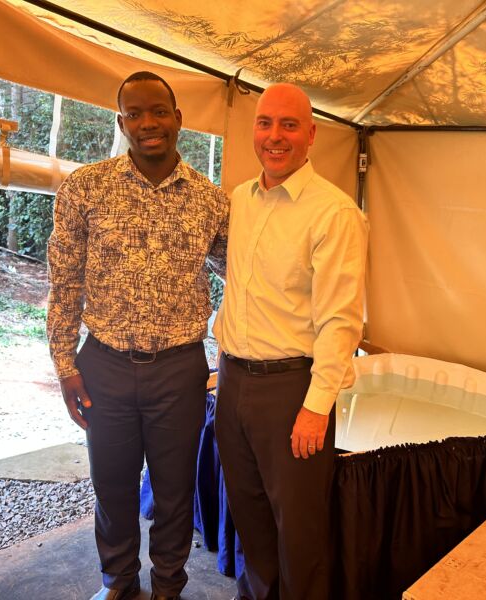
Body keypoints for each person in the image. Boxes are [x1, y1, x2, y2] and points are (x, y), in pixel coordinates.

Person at [47, 71, 228, 600]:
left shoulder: (210, 200)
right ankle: (119, 582)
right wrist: (65, 365)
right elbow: (64, 281)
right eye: (135, 113)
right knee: (112, 486)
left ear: (178, 118)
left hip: (179, 369)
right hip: (104, 365)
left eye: (159, 111)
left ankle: (168, 586)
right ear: (121, 122)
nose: (148, 123)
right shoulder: (85, 187)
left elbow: (242, 274)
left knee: (174, 490)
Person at [213, 83, 368, 600]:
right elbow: (241, 286)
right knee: (250, 517)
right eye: (265, 123)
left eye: (289, 124)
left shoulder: (334, 213)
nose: (274, 136)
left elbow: (341, 320)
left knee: (299, 534)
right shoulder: (240, 198)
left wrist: (317, 406)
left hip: (291, 390)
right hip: (233, 381)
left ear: (312, 134)